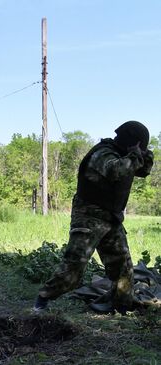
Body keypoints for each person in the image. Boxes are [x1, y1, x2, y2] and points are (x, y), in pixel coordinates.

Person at [34, 121, 154, 313]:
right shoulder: (103, 153)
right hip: (89, 217)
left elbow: (143, 170)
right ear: (131, 142)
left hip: (111, 218)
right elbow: (117, 170)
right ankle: (42, 300)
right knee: (74, 266)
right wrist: (135, 154)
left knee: (123, 267)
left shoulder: (125, 155)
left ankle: (121, 306)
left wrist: (144, 154)